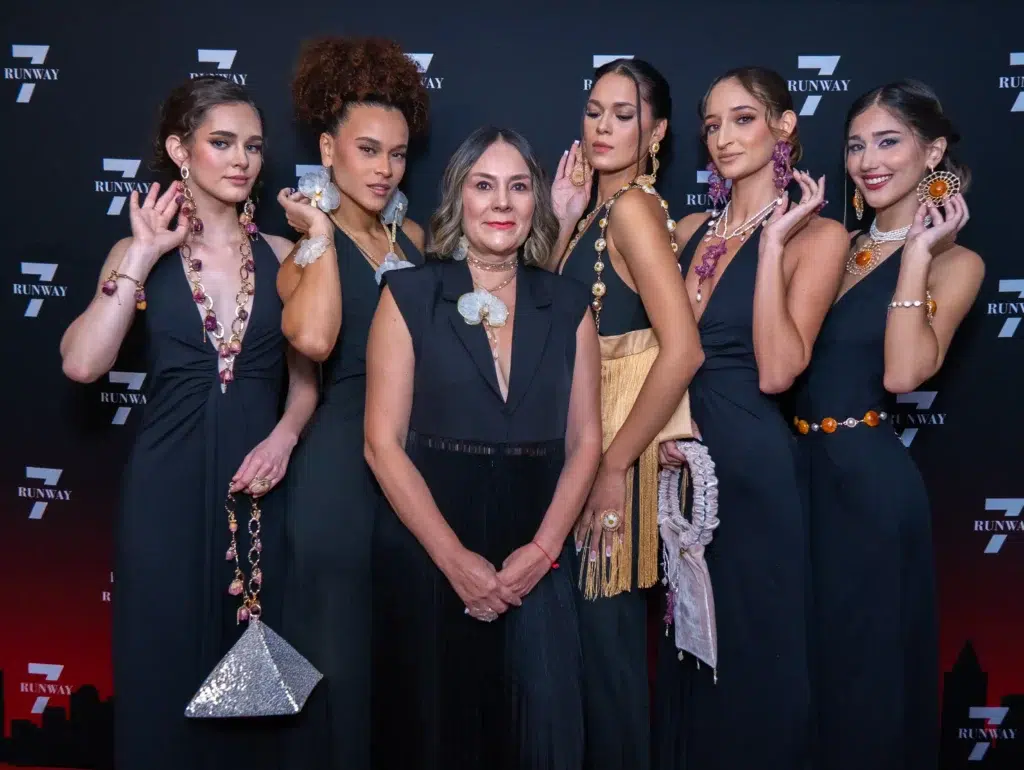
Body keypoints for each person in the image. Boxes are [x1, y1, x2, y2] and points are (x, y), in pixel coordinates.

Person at [59, 77, 318, 770]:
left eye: (253, 146)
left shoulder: (284, 255)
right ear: (180, 150)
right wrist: (142, 257)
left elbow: (305, 382)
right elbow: (83, 364)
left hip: (260, 489)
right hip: (165, 489)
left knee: (255, 685)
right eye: (222, 143)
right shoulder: (136, 253)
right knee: (162, 666)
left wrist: (284, 438)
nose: (242, 160)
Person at [366, 126, 602, 769]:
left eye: (518, 187)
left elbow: (586, 440)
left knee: (536, 735)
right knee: (436, 734)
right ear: (458, 197)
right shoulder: (409, 295)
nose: (501, 202)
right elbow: (382, 444)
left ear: (536, 202)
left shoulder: (570, 304)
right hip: (431, 545)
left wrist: (543, 552)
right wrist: (454, 560)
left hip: (537, 548)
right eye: (484, 185)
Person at [654, 66, 848, 770]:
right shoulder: (686, 231)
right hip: (677, 457)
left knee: (753, 649)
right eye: (712, 125)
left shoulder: (819, 238)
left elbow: (777, 371)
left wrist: (769, 247)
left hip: (752, 467)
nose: (723, 138)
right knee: (686, 648)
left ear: (784, 125)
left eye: (742, 119)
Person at [794, 80, 982, 770]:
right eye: (855, 146)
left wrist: (916, 255)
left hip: (866, 488)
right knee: (798, 677)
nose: (868, 161)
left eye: (888, 141)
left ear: (933, 152)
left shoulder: (957, 264)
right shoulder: (829, 244)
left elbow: (905, 374)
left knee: (866, 679)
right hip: (791, 481)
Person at [273, 37, 429, 770]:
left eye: (396, 154)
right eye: (367, 150)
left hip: (412, 474)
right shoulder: (305, 245)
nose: (384, 168)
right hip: (339, 471)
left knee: (401, 665)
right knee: (336, 664)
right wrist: (320, 236)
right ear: (328, 150)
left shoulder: (415, 239)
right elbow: (312, 338)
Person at [549, 58, 702, 770]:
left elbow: (682, 350)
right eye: (594, 112)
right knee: (586, 654)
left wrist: (614, 468)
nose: (603, 127)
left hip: (615, 451)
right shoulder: (599, 212)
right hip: (584, 442)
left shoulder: (635, 209)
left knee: (607, 657)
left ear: (657, 131)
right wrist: (562, 219)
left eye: (623, 114)